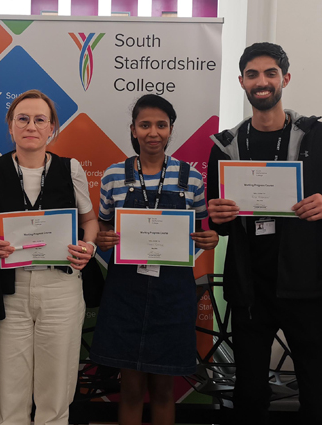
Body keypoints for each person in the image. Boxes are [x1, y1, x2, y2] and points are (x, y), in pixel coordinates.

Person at [206, 42, 322, 425]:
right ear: (241, 82)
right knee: (249, 391)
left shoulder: (321, 137)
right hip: (250, 287)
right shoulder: (225, 145)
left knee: (319, 390)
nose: (261, 81)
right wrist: (215, 216)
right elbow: (215, 220)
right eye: (252, 74)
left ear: (285, 78)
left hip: (308, 285)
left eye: (270, 73)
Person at [0, 89, 98, 425]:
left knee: (56, 389)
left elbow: (90, 221)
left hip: (61, 288)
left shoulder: (70, 169)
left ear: (52, 128)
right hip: (10, 290)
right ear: (10, 127)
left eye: (40, 119)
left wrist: (89, 247)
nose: (31, 126)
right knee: (11, 388)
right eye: (22, 119)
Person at [90, 94, 219, 425]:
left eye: (161, 125)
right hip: (125, 294)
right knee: (130, 388)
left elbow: (201, 231)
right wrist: (104, 237)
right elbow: (104, 223)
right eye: (144, 125)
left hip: (173, 296)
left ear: (171, 129)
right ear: (133, 130)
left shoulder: (190, 177)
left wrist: (209, 239)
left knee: (164, 389)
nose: (153, 132)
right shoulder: (114, 175)